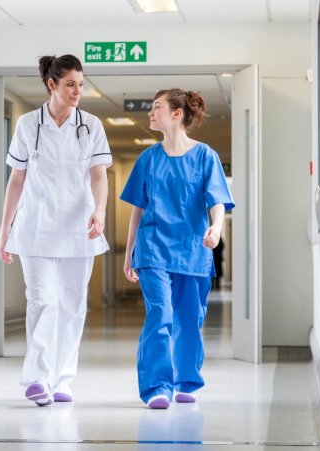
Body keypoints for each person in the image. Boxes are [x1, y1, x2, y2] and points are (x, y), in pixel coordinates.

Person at [0, 55, 112, 406]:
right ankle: (37, 378)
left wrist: (101, 212)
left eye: (81, 84)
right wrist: (5, 229)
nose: (78, 91)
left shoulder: (90, 125)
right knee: (43, 300)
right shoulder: (28, 125)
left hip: (79, 228)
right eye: (70, 84)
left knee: (73, 306)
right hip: (36, 228)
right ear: (52, 85)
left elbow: (98, 175)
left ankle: (63, 379)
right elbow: (16, 179)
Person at [120, 89, 234, 409]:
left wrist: (216, 228)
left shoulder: (205, 156)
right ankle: (157, 386)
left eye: (157, 108)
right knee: (161, 313)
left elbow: (217, 202)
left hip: (192, 249)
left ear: (177, 114)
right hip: (153, 248)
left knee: (188, 319)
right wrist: (130, 252)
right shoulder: (148, 158)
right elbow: (137, 210)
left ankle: (186, 380)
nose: (151, 113)